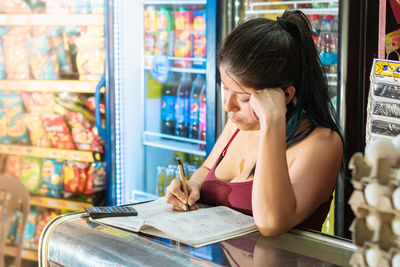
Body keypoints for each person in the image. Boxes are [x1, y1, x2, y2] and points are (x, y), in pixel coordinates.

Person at [166, 9, 344, 236]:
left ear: (285, 95)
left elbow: (271, 223)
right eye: (226, 89)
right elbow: (207, 169)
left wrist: (273, 121)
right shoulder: (238, 124)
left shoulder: (322, 144)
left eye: (243, 98)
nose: (228, 106)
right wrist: (192, 186)